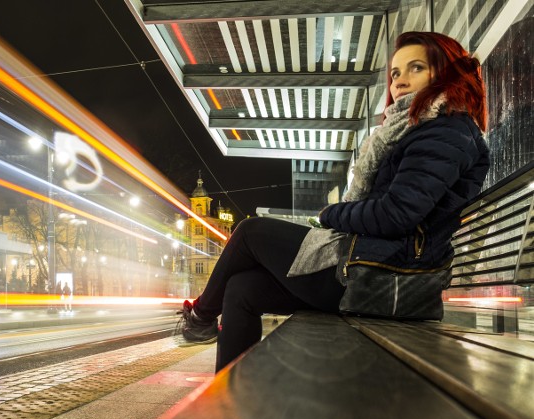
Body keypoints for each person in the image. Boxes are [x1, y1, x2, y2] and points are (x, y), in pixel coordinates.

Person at [179, 31, 490, 372]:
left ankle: (200, 318)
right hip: (378, 271)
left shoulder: (445, 131)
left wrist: (331, 215)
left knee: (251, 233)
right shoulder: (423, 129)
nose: (400, 81)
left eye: (415, 68)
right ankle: (229, 396)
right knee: (242, 288)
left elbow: (396, 214)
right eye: (396, 73)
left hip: (387, 281)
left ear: (445, 73)